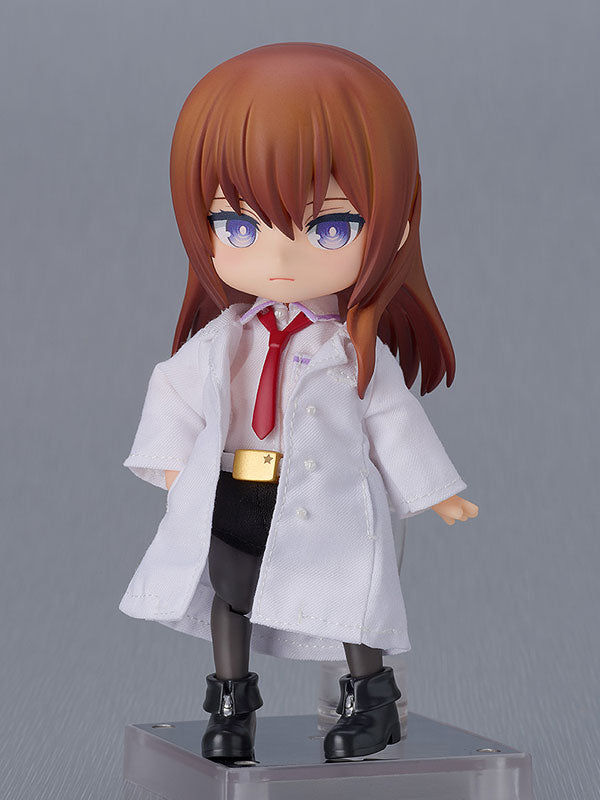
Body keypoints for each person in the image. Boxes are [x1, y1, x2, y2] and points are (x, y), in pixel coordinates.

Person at [120, 42, 479, 763]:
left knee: (350, 594)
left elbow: (392, 418)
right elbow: (173, 393)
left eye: (329, 228)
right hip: (236, 488)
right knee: (231, 593)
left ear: (397, 225)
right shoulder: (226, 341)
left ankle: (371, 701)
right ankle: (231, 705)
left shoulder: (351, 350)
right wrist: (176, 468)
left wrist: (435, 491)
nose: (280, 259)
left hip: (328, 494)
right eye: (239, 227)